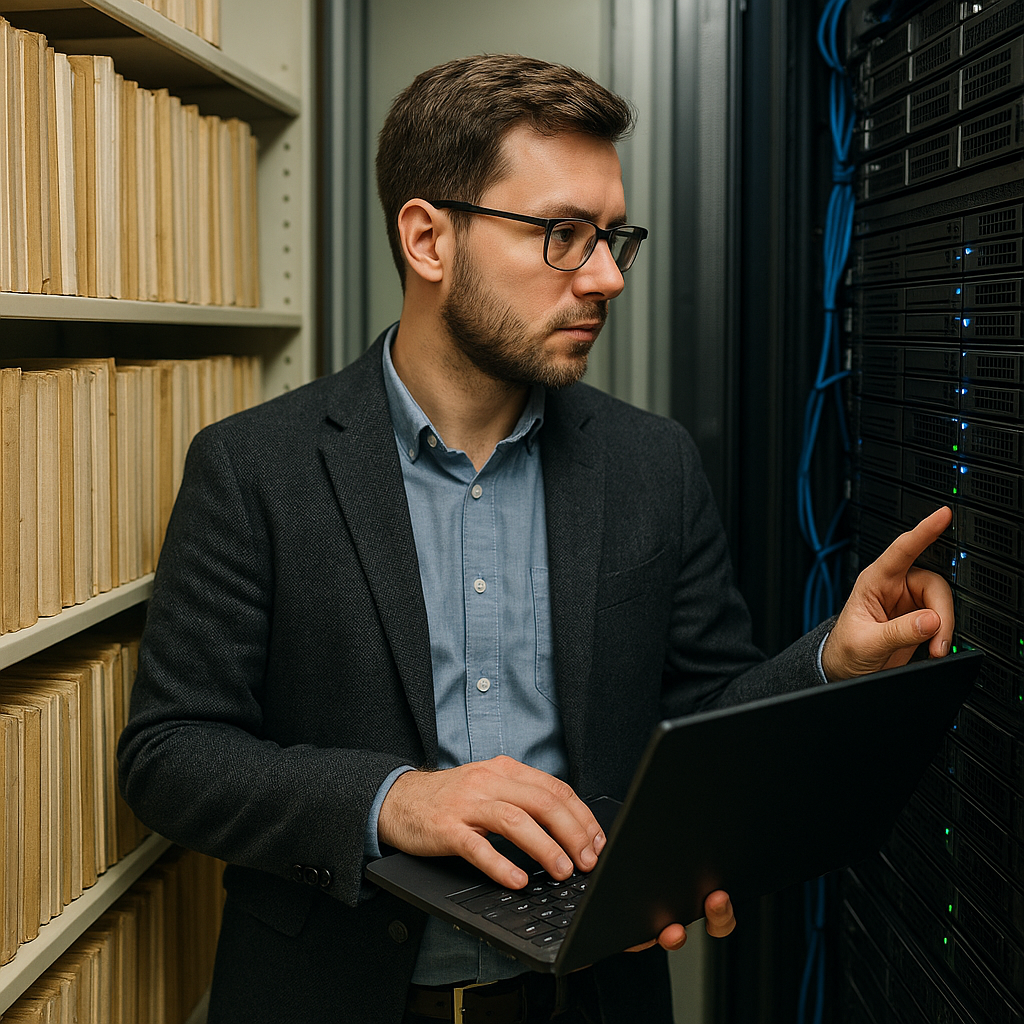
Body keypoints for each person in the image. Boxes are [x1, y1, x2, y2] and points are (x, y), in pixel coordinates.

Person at [118, 54, 954, 1024]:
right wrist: (393, 799)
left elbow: (706, 717)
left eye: (612, 238)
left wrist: (830, 663)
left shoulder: (652, 463)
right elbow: (170, 754)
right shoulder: (254, 465)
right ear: (429, 238)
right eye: (562, 235)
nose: (604, 277)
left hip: (591, 999)